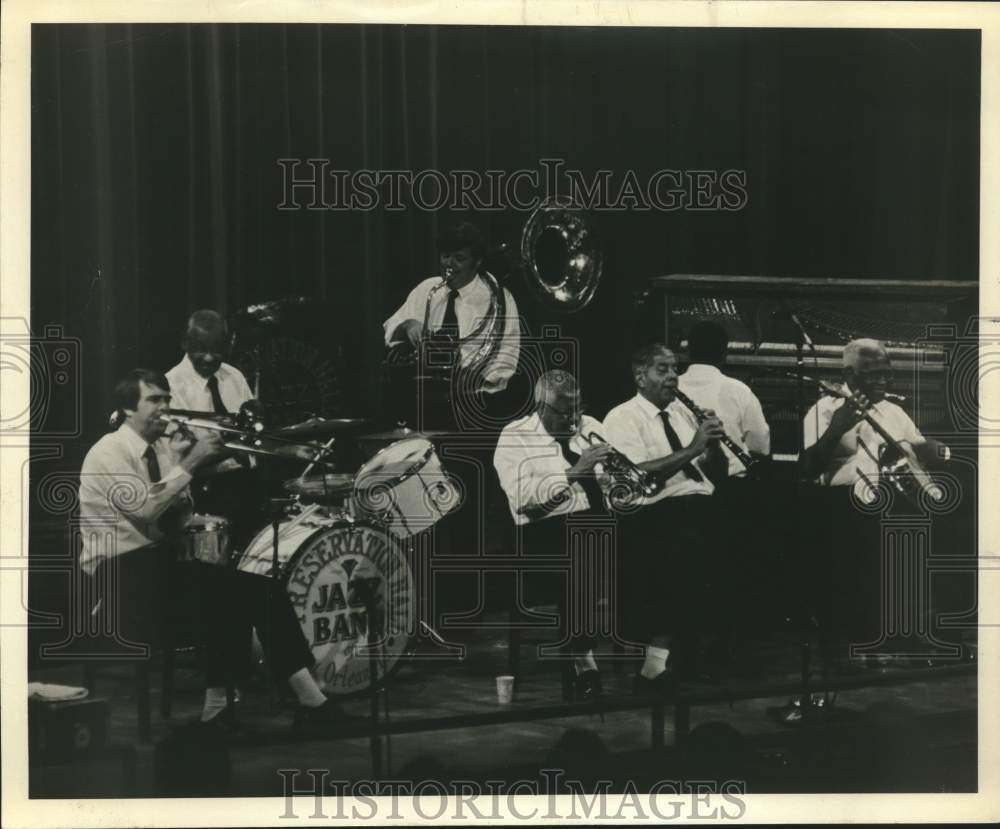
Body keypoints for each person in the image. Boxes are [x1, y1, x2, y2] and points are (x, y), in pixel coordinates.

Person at [78, 369, 360, 735]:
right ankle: (298, 702)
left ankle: (273, 703)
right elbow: (144, 510)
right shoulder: (108, 452)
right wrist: (190, 463)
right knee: (235, 591)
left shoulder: (161, 450)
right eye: (154, 400)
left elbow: (177, 520)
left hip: (156, 566)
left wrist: (179, 462)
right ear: (128, 409)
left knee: (255, 589)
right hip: (117, 578)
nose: (165, 408)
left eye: (167, 399)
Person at [797, 338, 950, 664]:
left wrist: (934, 449)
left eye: (887, 373)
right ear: (849, 374)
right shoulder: (824, 409)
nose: (883, 380)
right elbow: (807, 467)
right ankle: (844, 652)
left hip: (891, 503)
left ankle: (890, 642)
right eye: (873, 374)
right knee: (844, 582)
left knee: (892, 576)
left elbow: (916, 455)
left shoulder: (894, 412)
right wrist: (837, 428)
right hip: (841, 505)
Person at [603, 343, 729, 692]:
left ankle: (694, 656)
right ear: (640, 376)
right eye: (663, 369)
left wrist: (713, 444)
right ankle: (655, 668)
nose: (673, 377)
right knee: (688, 538)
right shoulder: (622, 417)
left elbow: (716, 474)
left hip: (694, 507)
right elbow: (635, 474)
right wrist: (693, 447)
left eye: (675, 368)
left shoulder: (684, 415)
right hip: (651, 512)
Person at [493, 370, 614, 701]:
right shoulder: (514, 436)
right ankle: (583, 659)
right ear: (541, 407)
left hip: (592, 526)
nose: (574, 420)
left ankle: (655, 661)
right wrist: (577, 471)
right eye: (565, 412)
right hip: (540, 535)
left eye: (578, 409)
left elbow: (611, 480)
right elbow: (523, 499)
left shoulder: (590, 426)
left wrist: (611, 481)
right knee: (585, 551)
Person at [383, 221, 520, 429]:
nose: (449, 264)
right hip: (427, 404)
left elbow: (508, 354)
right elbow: (390, 329)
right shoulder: (428, 289)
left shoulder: (499, 298)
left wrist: (473, 378)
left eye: (459, 258)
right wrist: (408, 325)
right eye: (445, 256)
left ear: (477, 262)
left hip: (477, 406)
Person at [679, 320, 770, 477]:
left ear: (687, 352)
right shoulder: (740, 391)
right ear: (724, 354)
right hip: (728, 484)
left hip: (679, 483)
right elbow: (760, 447)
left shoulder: (667, 390)